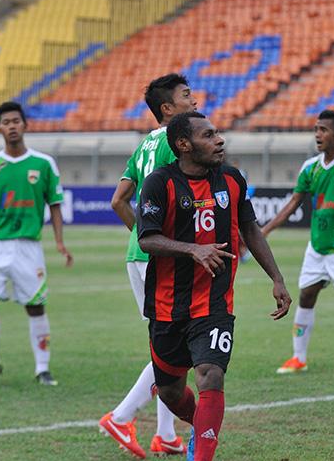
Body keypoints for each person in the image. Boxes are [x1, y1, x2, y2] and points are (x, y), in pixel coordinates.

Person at [136, 111, 291, 461]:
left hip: (214, 304)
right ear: (183, 144)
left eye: (218, 133)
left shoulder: (233, 180)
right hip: (167, 305)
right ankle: (200, 428)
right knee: (170, 392)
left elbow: (249, 229)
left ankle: (202, 455)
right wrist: (193, 249)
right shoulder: (160, 183)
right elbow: (147, 238)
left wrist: (277, 278)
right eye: (208, 135)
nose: (219, 140)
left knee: (210, 375)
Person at [100, 73, 196, 458]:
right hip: (163, 259)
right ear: (168, 109)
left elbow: (118, 200)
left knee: (167, 346)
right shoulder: (179, 142)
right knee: (173, 350)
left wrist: (145, 235)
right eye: (187, 95)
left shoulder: (145, 144)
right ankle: (121, 417)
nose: (195, 100)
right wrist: (161, 243)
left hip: (143, 255)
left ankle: (166, 433)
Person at [0, 101, 73, 387]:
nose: (12, 126)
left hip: (29, 247)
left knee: (35, 306)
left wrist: (60, 242)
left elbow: (54, 205)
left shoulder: (43, 163)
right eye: (6, 122)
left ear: (25, 125)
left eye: (16, 121)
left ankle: (43, 368)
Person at [262, 110, 334, 377]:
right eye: (316, 129)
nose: (318, 135)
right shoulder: (310, 167)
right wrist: (264, 230)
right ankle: (298, 357)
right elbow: (293, 203)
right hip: (317, 247)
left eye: (323, 130)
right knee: (306, 296)